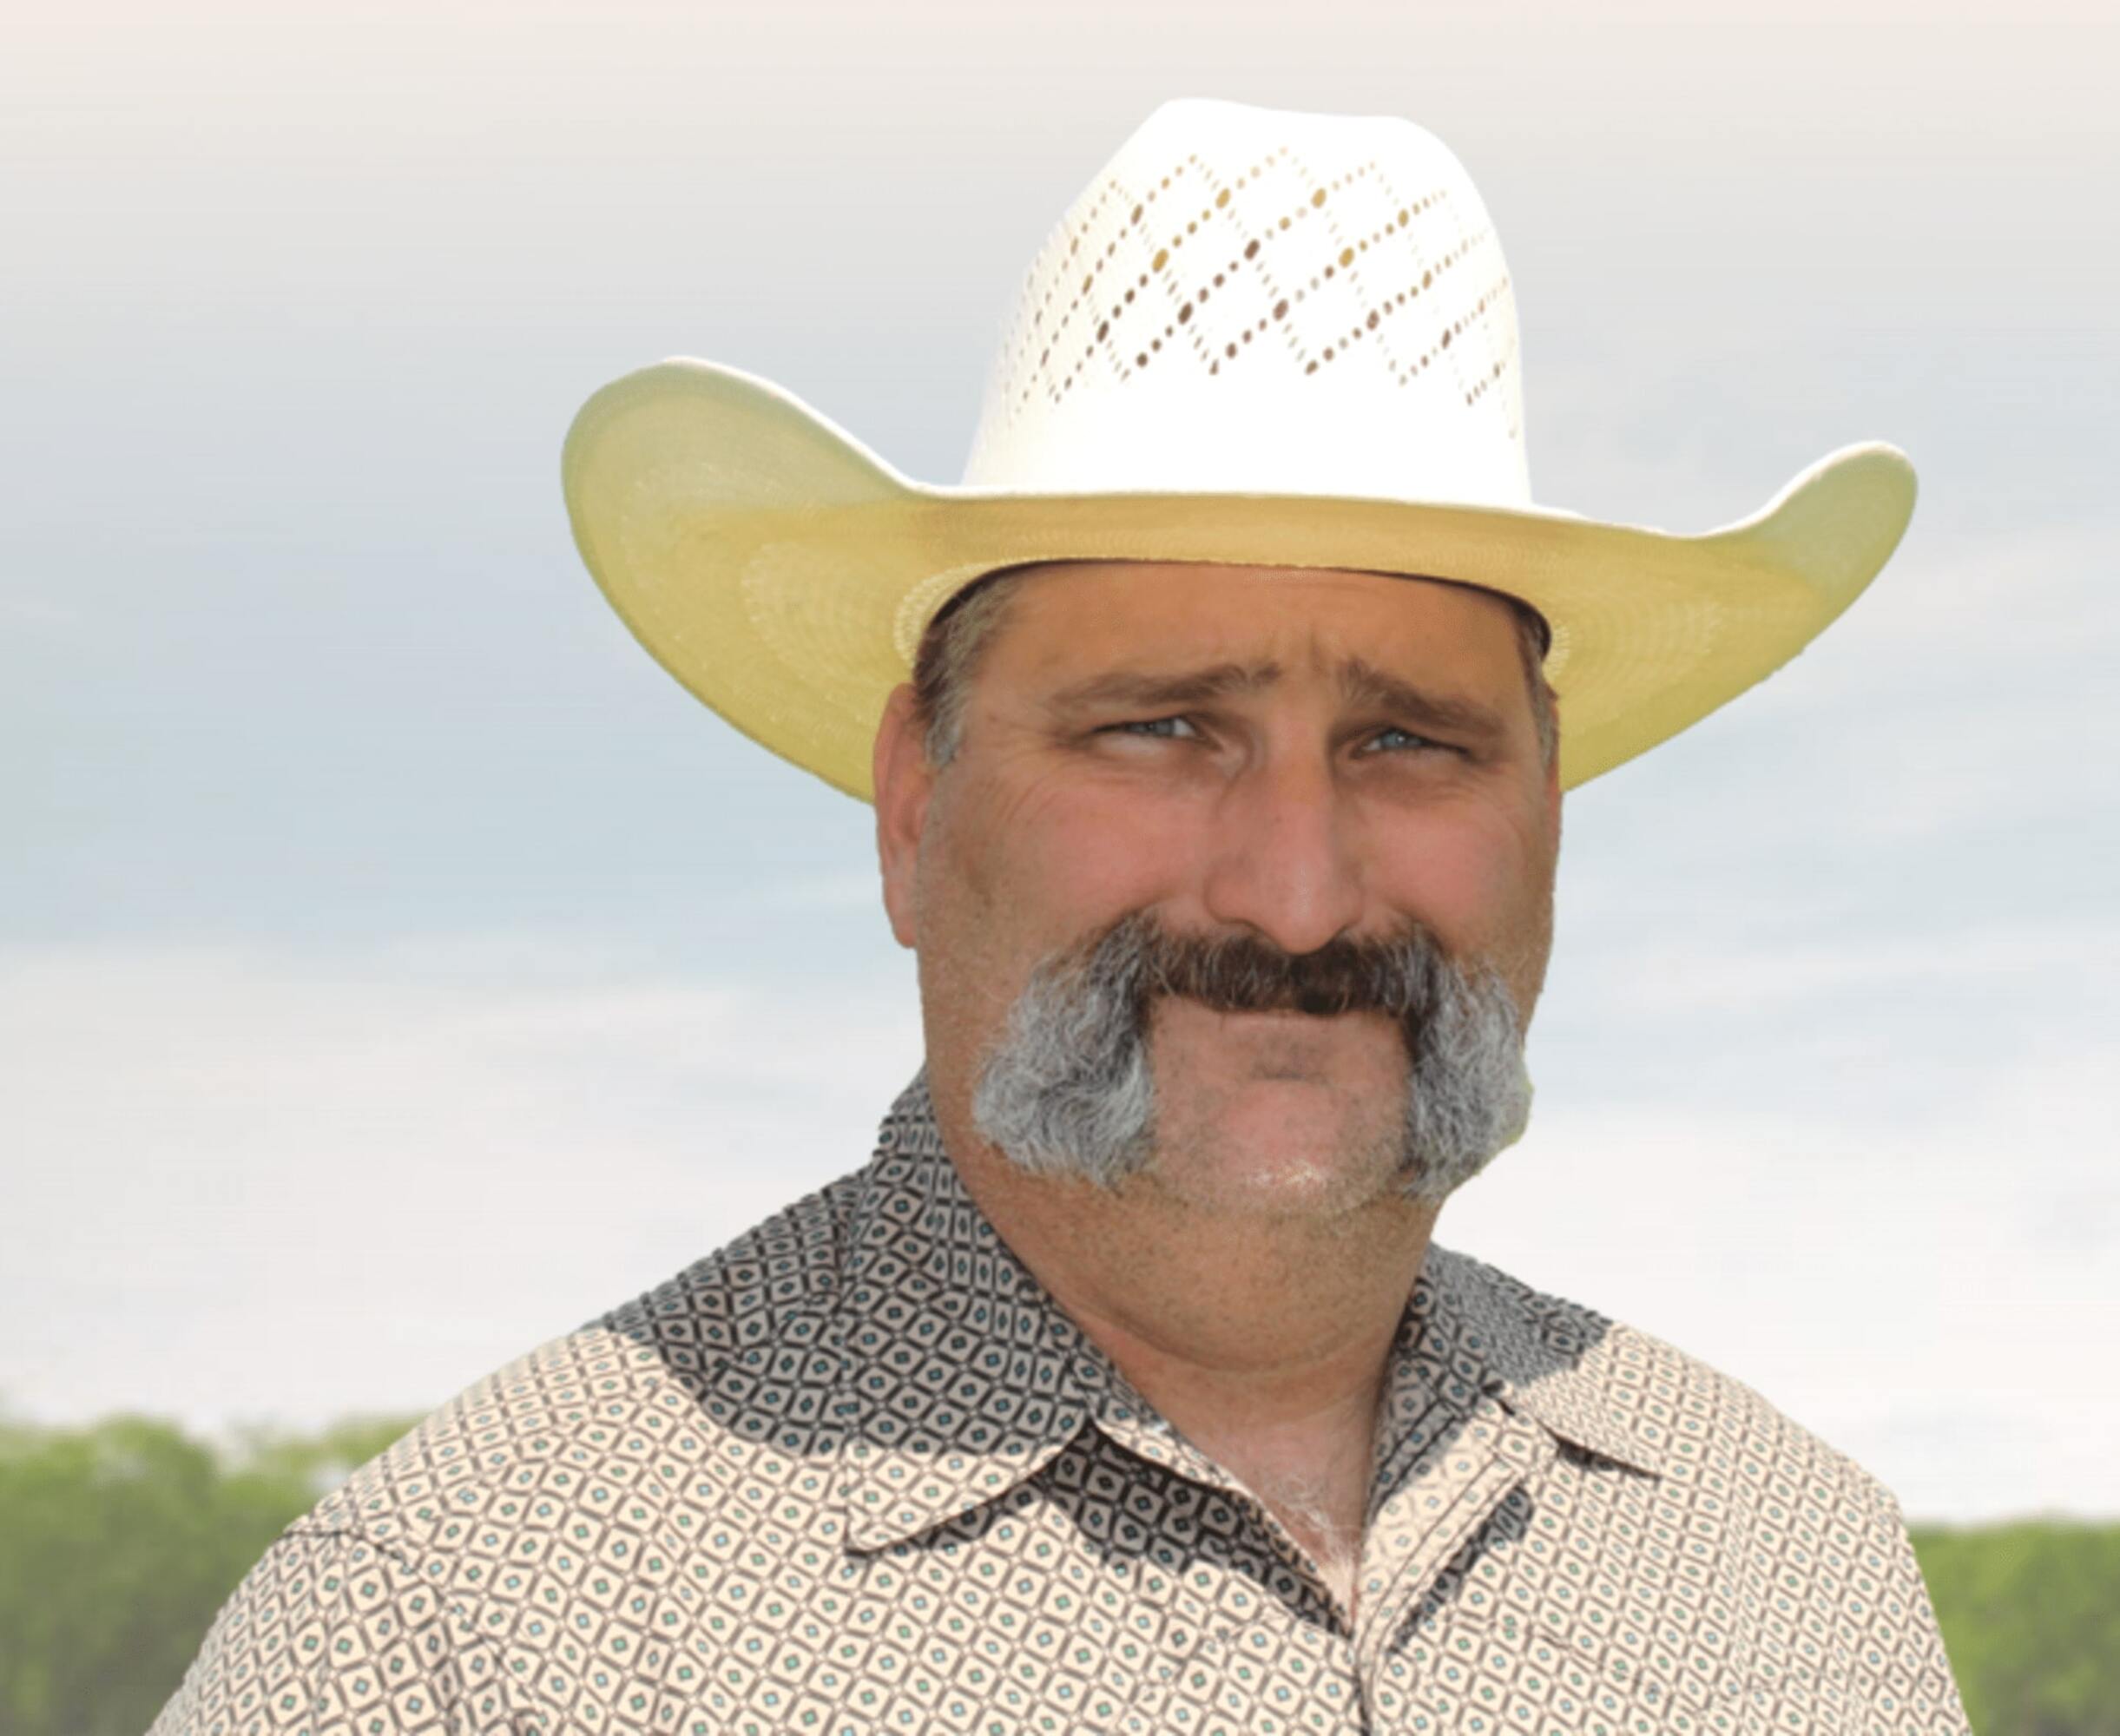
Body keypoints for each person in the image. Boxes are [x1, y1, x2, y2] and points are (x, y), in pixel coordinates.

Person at [151, 97, 1971, 1734]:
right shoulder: (474, 1636)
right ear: (915, 805)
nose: (1294, 886)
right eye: (1164, 727)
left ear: (1548, 830)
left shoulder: (1795, 1579)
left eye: (1409, 741)